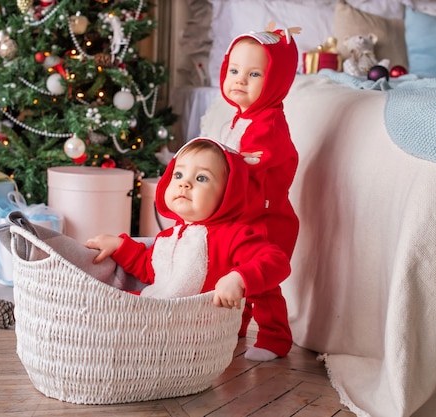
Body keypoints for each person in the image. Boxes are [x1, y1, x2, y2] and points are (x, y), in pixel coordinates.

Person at [85, 137, 291, 318]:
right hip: (155, 307)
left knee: (115, 313)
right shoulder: (169, 236)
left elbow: (277, 261)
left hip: (193, 323)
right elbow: (150, 270)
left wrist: (238, 278)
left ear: (229, 193)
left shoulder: (231, 235)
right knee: (100, 303)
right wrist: (120, 246)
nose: (185, 184)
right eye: (178, 175)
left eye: (201, 178)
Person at [201, 24, 300, 361]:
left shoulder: (269, 124)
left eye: (254, 73)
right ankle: (235, 326)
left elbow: (250, 165)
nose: (240, 80)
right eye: (234, 70)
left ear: (276, 81)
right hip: (243, 215)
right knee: (232, 270)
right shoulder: (238, 117)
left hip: (267, 218)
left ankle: (275, 338)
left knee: (262, 281)